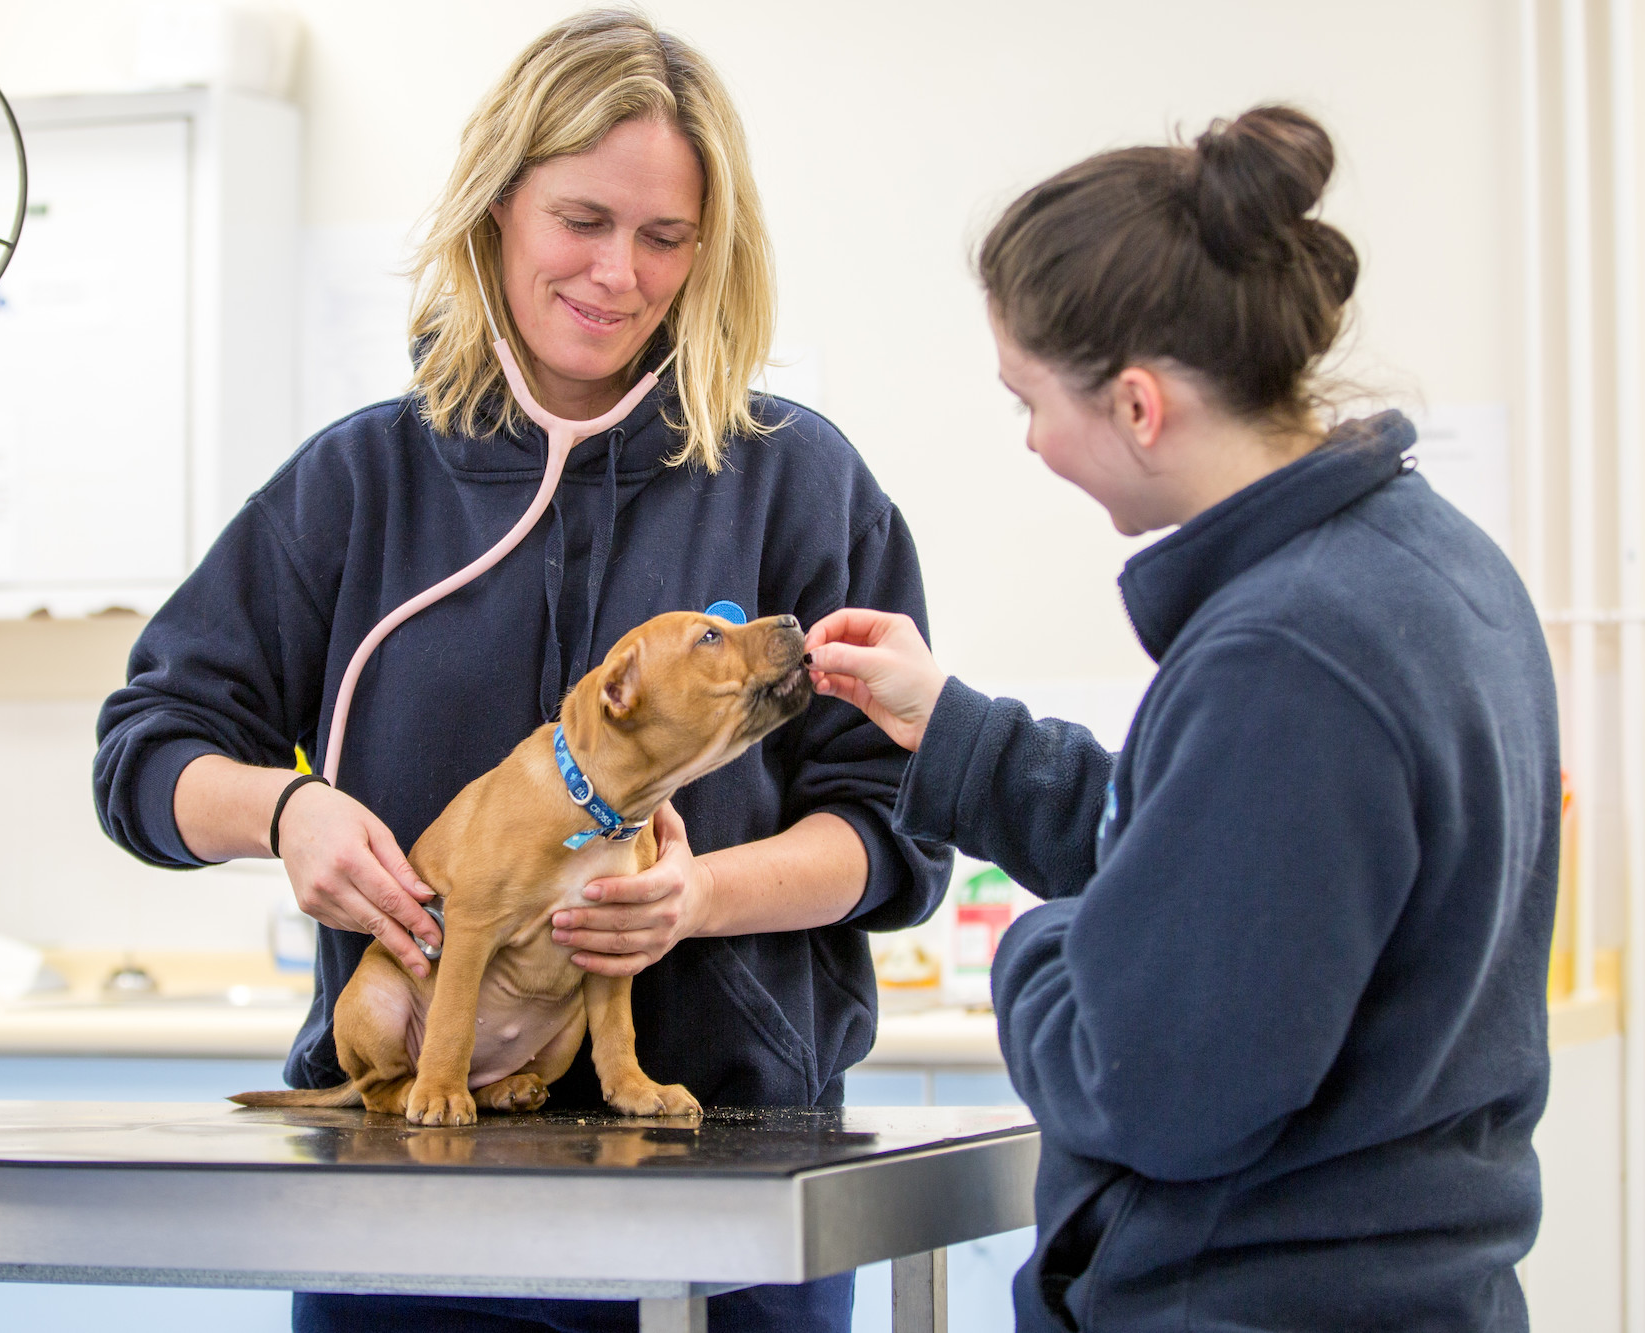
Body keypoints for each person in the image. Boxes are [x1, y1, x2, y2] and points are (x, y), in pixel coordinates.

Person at [93, 10, 949, 1332]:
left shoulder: (796, 482)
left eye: (667, 238)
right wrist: (282, 812)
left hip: (727, 1179)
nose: (619, 273)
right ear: (498, 208)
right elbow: (147, 750)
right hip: (409, 1192)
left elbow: (894, 835)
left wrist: (695, 895)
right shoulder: (362, 483)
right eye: (582, 221)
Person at [807, 106, 1559, 1332]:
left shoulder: (1287, 652)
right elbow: (1228, 875)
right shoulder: (1425, 565)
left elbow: (1149, 1077)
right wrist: (953, 732)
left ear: (1140, 406)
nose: (1034, 440)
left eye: (1027, 402)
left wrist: (1041, 947)